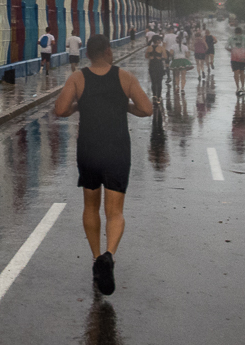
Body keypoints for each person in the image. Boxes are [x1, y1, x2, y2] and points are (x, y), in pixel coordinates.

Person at [54, 34, 153, 296]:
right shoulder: (125, 77)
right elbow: (147, 109)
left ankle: (97, 258)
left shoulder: (78, 78)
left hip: (89, 149)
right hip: (117, 149)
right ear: (108, 51)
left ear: (87, 54)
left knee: (90, 206)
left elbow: (60, 109)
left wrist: (79, 105)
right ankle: (109, 255)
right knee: (115, 211)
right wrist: (125, 107)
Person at [226, 26, 245, 94]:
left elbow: (226, 46)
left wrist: (231, 50)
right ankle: (243, 87)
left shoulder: (231, 38)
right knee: (242, 71)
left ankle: (237, 88)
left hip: (234, 57)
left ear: (235, 32)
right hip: (242, 57)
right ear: (241, 32)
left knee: (236, 72)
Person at [144, 34, 169, 103]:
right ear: (158, 40)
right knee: (159, 81)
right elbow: (165, 56)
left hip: (152, 65)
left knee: (153, 81)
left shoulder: (149, 47)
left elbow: (146, 56)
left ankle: (154, 95)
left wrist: (151, 56)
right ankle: (159, 96)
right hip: (159, 65)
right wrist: (161, 58)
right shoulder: (161, 48)